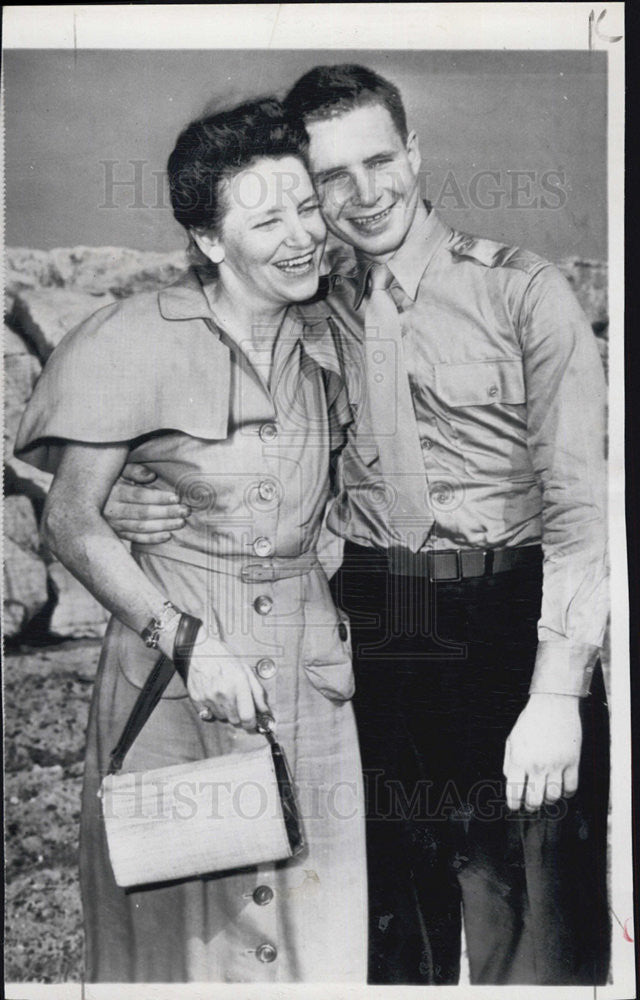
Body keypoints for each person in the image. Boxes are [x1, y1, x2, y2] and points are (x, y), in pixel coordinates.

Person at [104, 65, 610, 986]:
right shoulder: (307, 301)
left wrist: (558, 693)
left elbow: (581, 514)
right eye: (330, 177)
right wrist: (131, 487)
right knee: (382, 941)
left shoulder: (525, 294)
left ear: (413, 153)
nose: (363, 193)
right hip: (368, 636)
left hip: (507, 627)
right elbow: (199, 395)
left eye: (379, 160)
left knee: (536, 941)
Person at [14, 97, 368, 984]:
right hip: (176, 677)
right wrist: (185, 641)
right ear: (210, 241)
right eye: (265, 218)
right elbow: (69, 518)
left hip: (309, 677)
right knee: (182, 947)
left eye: (305, 207)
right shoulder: (128, 339)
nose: (301, 236)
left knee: (315, 937)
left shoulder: (338, 330)